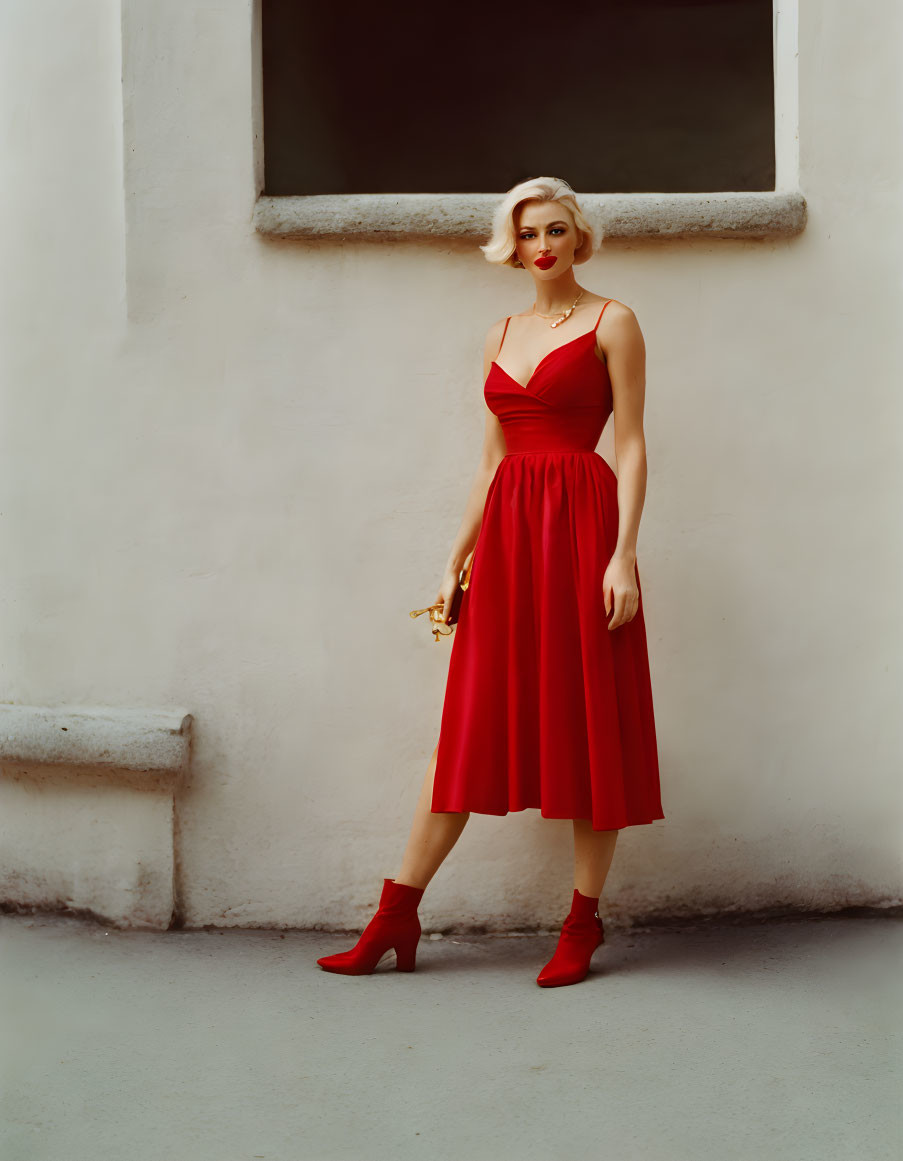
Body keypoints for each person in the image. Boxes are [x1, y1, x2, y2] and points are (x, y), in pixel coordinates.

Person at [317, 176, 664, 987]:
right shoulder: (499, 332)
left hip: (582, 528)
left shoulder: (616, 322)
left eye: (553, 230)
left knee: (589, 726)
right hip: (509, 539)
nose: (541, 246)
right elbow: (490, 461)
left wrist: (622, 553)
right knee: (469, 729)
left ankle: (581, 924)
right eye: (526, 236)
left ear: (578, 237)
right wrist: (454, 557)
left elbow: (635, 445)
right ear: (512, 249)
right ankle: (394, 914)